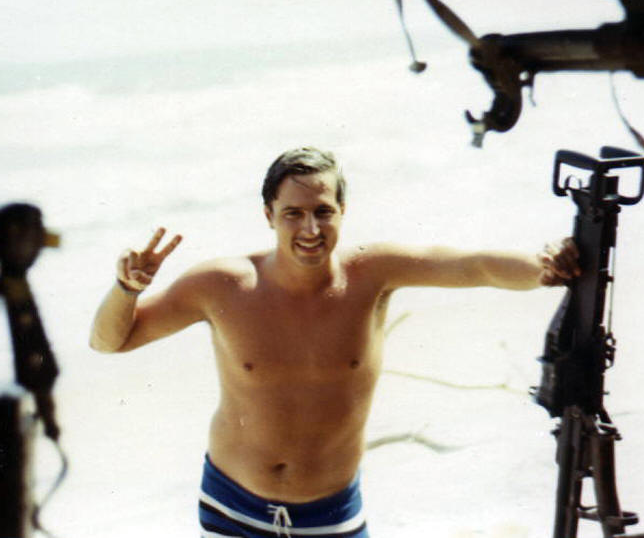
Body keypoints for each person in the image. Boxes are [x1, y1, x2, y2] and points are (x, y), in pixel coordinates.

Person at [89, 146, 580, 538]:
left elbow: (476, 267)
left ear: (343, 211)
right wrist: (127, 289)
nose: (310, 229)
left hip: (331, 515)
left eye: (323, 212)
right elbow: (110, 342)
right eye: (293, 213)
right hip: (231, 507)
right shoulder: (222, 284)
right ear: (268, 214)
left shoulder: (373, 273)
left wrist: (544, 268)